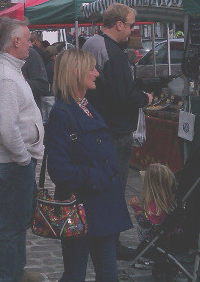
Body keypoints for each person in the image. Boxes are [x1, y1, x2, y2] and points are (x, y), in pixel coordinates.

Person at [45, 49, 132, 281]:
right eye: (92, 68)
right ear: (76, 72)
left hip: (100, 205)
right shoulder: (62, 112)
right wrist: (96, 176)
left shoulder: (85, 105)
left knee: (108, 273)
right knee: (75, 274)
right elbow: (59, 169)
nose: (96, 73)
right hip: (80, 207)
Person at [82, 3, 153, 260]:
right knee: (114, 189)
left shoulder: (92, 43)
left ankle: (101, 239)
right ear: (119, 24)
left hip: (99, 125)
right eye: (131, 25)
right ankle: (110, 244)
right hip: (115, 129)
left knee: (102, 188)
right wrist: (145, 98)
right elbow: (123, 95)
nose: (132, 30)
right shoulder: (112, 52)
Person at [0, 19, 44, 282]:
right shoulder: (6, 77)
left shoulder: (10, 70)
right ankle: (5, 276)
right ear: (16, 41)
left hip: (15, 162)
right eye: (28, 39)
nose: (31, 43)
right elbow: (7, 128)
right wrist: (24, 159)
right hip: (13, 163)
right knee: (11, 226)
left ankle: (14, 272)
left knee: (17, 224)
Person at [128, 163, 177, 244]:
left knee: (141, 228)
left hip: (155, 241)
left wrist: (137, 208)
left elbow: (145, 223)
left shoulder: (155, 207)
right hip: (169, 237)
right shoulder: (171, 202)